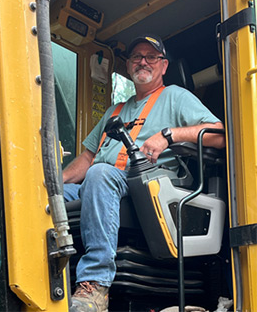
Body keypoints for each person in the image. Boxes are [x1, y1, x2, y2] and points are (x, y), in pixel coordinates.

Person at [63, 34, 225, 312]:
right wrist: (55, 184)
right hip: (104, 181)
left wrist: (169, 135)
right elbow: (89, 156)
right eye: (136, 57)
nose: (143, 62)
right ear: (128, 66)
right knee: (50, 195)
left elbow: (218, 133)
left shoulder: (175, 96)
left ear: (163, 66)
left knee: (101, 174)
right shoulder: (116, 110)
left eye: (152, 57)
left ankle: (96, 285)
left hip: (149, 183)